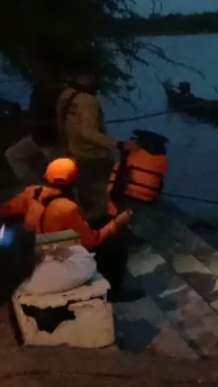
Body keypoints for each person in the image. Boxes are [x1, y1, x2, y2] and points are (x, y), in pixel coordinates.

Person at [0, 158, 140, 302]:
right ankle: (114, 291)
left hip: (32, 249)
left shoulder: (32, 192)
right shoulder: (67, 207)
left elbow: (5, 209)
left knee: (99, 222)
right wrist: (116, 223)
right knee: (115, 244)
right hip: (46, 258)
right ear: (73, 183)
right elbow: (91, 242)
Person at [56, 70, 138, 222]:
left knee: (85, 191)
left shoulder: (66, 94)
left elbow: (60, 122)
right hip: (93, 155)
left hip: (74, 152)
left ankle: (87, 222)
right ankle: (110, 224)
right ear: (87, 78)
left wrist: (66, 146)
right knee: (110, 191)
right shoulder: (89, 101)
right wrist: (119, 144)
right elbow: (88, 133)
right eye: (92, 77)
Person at [4, 80, 66, 184]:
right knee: (13, 154)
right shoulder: (37, 89)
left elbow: (61, 118)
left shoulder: (56, 91)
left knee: (59, 175)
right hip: (39, 137)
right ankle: (38, 187)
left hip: (52, 139)